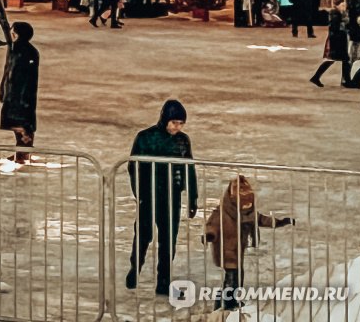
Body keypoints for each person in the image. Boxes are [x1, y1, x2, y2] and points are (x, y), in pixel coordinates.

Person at [125, 99, 198, 297]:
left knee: (168, 240)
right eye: (174, 122)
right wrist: (139, 194)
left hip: (171, 198)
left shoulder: (183, 141)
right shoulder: (145, 137)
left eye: (181, 123)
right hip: (149, 196)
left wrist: (193, 198)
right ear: (165, 120)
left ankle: (163, 280)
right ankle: (135, 269)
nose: (178, 127)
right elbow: (134, 167)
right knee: (143, 235)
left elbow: (189, 168)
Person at [204, 174, 293, 310]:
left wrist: (281, 222)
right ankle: (226, 304)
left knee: (237, 277)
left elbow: (263, 220)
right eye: (244, 204)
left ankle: (229, 301)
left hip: (238, 250)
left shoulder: (248, 213)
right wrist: (209, 235)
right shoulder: (222, 213)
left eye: (249, 204)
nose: (247, 207)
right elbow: (211, 225)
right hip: (225, 250)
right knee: (232, 278)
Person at [0, 21, 39, 161]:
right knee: (15, 123)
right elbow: (8, 69)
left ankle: (24, 152)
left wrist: (21, 95)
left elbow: (26, 76)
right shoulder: (14, 48)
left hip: (22, 94)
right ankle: (20, 150)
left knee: (24, 124)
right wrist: (3, 87)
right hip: (12, 92)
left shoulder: (28, 52)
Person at [310, 9, 351, 87]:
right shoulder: (336, 21)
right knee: (340, 60)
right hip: (337, 43)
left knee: (342, 60)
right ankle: (346, 80)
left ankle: (346, 80)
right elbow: (337, 32)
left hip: (338, 42)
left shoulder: (335, 21)